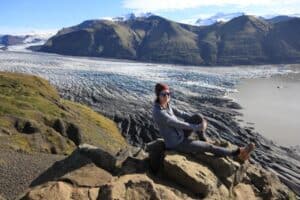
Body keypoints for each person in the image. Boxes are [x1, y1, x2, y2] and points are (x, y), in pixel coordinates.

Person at [152, 82, 255, 161]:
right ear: (158, 95)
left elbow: (181, 113)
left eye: (168, 94)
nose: (167, 97)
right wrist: (198, 127)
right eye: (163, 94)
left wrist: (199, 121)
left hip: (179, 134)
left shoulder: (166, 105)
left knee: (197, 117)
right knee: (209, 147)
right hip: (176, 143)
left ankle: (203, 138)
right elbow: (178, 124)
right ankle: (238, 153)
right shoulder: (159, 113)